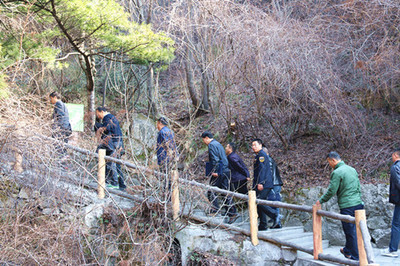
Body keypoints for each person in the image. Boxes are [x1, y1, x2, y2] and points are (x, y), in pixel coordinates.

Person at [316, 151, 364, 261]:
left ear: (333, 160)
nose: (329, 165)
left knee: (350, 231)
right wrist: (360, 200)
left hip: (347, 205)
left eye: (329, 162)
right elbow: (358, 186)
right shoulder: (352, 169)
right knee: (357, 230)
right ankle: (347, 250)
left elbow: (332, 190)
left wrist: (321, 201)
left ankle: (356, 257)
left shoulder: (337, 172)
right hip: (358, 203)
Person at [202, 131, 238, 224]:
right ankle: (232, 212)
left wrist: (215, 171)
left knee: (211, 189)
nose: (204, 142)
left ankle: (215, 209)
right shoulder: (218, 144)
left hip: (220, 171)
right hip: (225, 170)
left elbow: (215, 159)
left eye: (203, 140)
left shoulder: (211, 145)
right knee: (225, 192)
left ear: (206, 138)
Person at [95, 107, 126, 191]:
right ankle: (121, 184)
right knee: (117, 163)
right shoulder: (112, 117)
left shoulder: (107, 118)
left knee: (111, 162)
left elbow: (106, 129)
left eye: (98, 113)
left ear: (101, 112)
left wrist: (99, 127)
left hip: (113, 143)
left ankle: (114, 183)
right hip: (119, 142)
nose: (98, 116)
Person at [251, 139, 279, 231]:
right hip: (260, 183)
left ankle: (273, 214)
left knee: (259, 201)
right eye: (252, 145)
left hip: (264, 184)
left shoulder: (262, 155)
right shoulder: (258, 155)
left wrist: (261, 183)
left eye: (255, 145)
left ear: (260, 145)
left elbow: (262, 170)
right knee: (259, 203)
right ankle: (263, 224)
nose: (253, 147)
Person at [382, 149, 400, 258]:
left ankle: (392, 250)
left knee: (396, 224)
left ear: (395, 155)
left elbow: (398, 183)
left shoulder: (395, 167)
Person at [156, 117, 178, 199]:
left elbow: (167, 144)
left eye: (157, 123)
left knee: (165, 177)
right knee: (168, 177)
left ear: (160, 123)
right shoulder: (170, 131)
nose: (157, 126)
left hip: (164, 157)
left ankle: (166, 197)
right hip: (170, 158)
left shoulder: (162, 132)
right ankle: (169, 195)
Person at [263, 146, 283, 228]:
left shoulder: (268, 160)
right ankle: (277, 223)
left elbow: (270, 173)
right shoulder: (271, 159)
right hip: (276, 184)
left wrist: (268, 185)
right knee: (275, 203)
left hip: (273, 184)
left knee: (273, 203)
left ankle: (277, 221)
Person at [49, 92, 72, 157]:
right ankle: (63, 159)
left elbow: (60, 116)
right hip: (65, 128)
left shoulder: (58, 104)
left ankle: (60, 159)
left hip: (62, 128)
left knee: (58, 145)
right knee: (63, 145)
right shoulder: (63, 104)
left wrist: (56, 128)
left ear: (55, 97)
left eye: (51, 98)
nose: (50, 100)